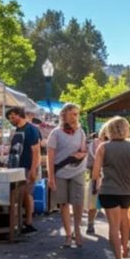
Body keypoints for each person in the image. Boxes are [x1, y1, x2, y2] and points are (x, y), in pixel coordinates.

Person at [91, 117, 130, 259]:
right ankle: (125, 248)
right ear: (126, 129)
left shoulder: (103, 147)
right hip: (128, 190)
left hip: (108, 190)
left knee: (113, 226)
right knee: (124, 219)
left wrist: (96, 184)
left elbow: (95, 173)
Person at [47, 104, 88, 248]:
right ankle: (68, 234)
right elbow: (50, 157)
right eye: (72, 114)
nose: (75, 117)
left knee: (78, 202)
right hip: (61, 172)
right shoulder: (56, 133)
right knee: (64, 203)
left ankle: (77, 229)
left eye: (77, 114)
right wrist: (51, 177)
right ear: (64, 115)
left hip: (78, 170)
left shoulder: (81, 132)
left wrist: (80, 154)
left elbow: (84, 150)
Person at [7, 106, 42, 234]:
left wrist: (33, 170)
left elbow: (36, 151)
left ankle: (29, 222)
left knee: (27, 194)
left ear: (19, 115)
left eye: (12, 116)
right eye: (10, 117)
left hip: (27, 167)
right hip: (16, 167)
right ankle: (17, 222)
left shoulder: (31, 129)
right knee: (17, 195)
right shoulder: (17, 129)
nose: (11, 119)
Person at [85, 132, 102, 235]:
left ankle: (90, 224)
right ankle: (90, 223)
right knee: (93, 202)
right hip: (97, 177)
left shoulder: (91, 145)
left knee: (94, 202)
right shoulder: (91, 146)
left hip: (98, 177)